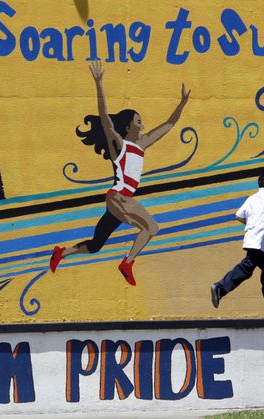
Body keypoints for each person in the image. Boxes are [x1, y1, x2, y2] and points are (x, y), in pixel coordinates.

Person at [49, 60, 191, 285]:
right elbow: (105, 119)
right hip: (120, 197)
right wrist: (99, 83)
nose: (142, 122)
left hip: (119, 201)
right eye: (137, 119)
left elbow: (169, 124)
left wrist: (182, 102)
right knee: (151, 227)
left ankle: (61, 253)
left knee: (95, 245)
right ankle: (127, 263)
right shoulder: (120, 144)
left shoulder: (142, 144)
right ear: (127, 126)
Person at [210, 174, 264, 316]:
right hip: (258, 241)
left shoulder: (252, 198)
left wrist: (251, 224)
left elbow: (239, 215)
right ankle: (220, 288)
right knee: (247, 268)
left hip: (251, 238)